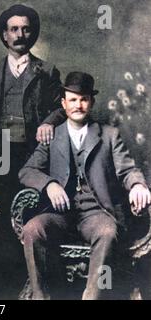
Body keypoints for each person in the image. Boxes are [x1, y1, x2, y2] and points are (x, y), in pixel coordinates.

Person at [19, 71, 151, 299]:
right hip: (59, 213)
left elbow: (127, 170)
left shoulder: (109, 135)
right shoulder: (52, 136)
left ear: (91, 102)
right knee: (32, 229)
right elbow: (27, 171)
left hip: (96, 213)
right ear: (63, 103)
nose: (78, 105)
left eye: (84, 99)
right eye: (72, 99)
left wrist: (138, 185)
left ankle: (91, 296)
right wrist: (49, 184)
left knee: (108, 232)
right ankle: (41, 296)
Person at [0, 4, 65, 214]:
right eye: (13, 29)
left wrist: (49, 122)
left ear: (32, 33)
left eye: (25, 29)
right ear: (5, 35)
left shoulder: (47, 71)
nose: (20, 35)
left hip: (32, 151)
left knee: (31, 209)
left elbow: (61, 108)